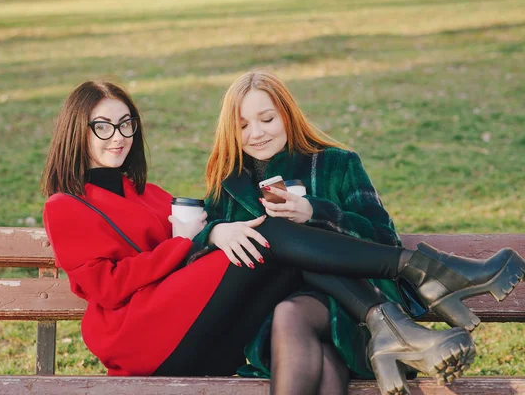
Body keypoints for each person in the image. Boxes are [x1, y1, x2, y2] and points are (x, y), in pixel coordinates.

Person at [41, 80, 524, 395]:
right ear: (76, 132)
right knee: (268, 235)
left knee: (278, 253)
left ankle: (393, 320)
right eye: (101, 125)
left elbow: (197, 270)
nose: (117, 136)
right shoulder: (66, 206)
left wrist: (312, 212)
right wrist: (201, 239)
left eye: (125, 123)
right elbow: (104, 286)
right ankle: (420, 275)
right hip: (138, 337)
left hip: (204, 325)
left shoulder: (152, 194)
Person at [192, 70, 525, 395]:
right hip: (271, 318)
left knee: (293, 315)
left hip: (348, 310)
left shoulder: (337, 164)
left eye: (267, 119)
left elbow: (382, 238)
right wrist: (215, 232)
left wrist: (316, 213)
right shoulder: (228, 187)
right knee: (305, 336)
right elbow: (210, 272)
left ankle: (393, 323)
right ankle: (423, 287)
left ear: (288, 116)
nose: (257, 133)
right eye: (243, 125)